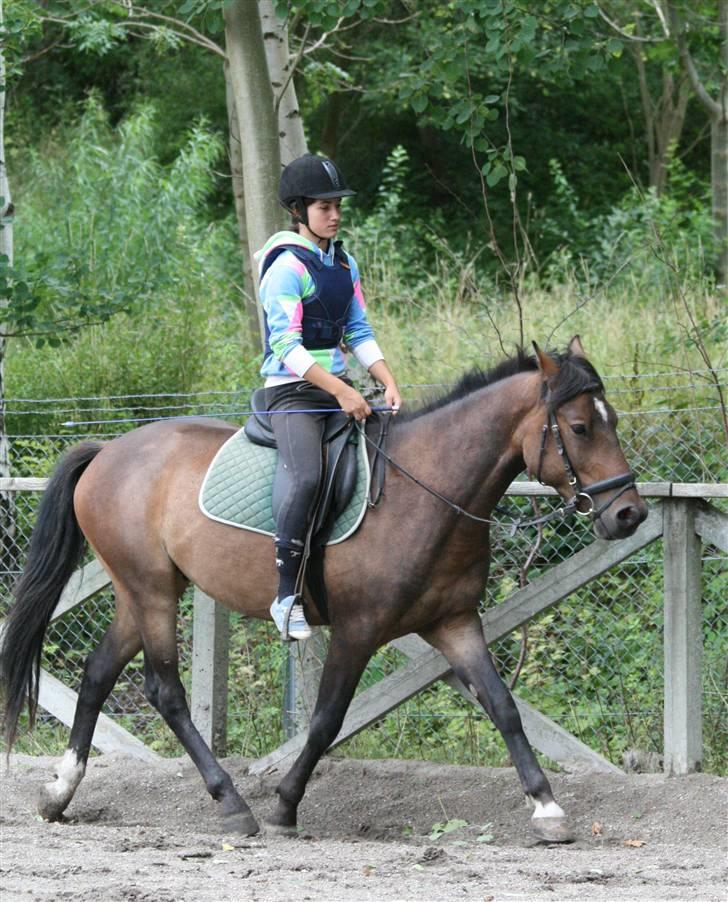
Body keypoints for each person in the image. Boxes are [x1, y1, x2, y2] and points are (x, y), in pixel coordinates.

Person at [256, 153, 401, 641]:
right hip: (293, 393)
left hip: (338, 390)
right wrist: (340, 390)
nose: (335, 214)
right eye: (324, 207)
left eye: (337, 205)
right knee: (307, 476)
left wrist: (387, 377)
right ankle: (286, 594)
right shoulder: (284, 268)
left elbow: (358, 329)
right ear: (299, 210)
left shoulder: (343, 262)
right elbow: (286, 346)